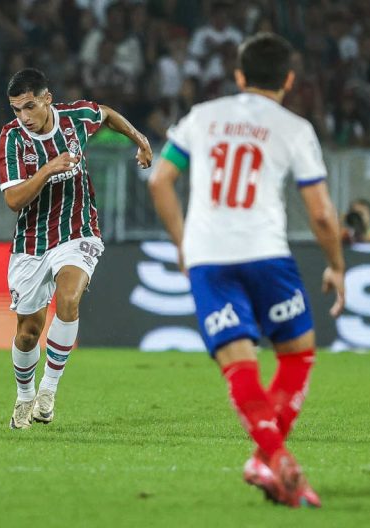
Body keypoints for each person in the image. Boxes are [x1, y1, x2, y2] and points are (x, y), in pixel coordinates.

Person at [148, 33, 345, 508]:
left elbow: (159, 179)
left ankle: (268, 458)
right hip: (266, 254)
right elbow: (321, 214)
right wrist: (337, 265)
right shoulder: (294, 128)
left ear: (239, 76)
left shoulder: (202, 117)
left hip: (208, 258)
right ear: (289, 80)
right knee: (296, 356)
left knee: (239, 365)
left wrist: (182, 243)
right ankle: (272, 458)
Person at [0, 68, 152, 429]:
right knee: (28, 332)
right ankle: (24, 396)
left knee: (68, 299)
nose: (24, 117)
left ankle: (48, 391)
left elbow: (106, 114)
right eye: (17, 109)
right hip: (31, 241)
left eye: (30, 106)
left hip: (78, 230)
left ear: (47, 99)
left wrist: (140, 139)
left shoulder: (74, 118)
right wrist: (47, 170)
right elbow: (14, 200)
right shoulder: (11, 139)